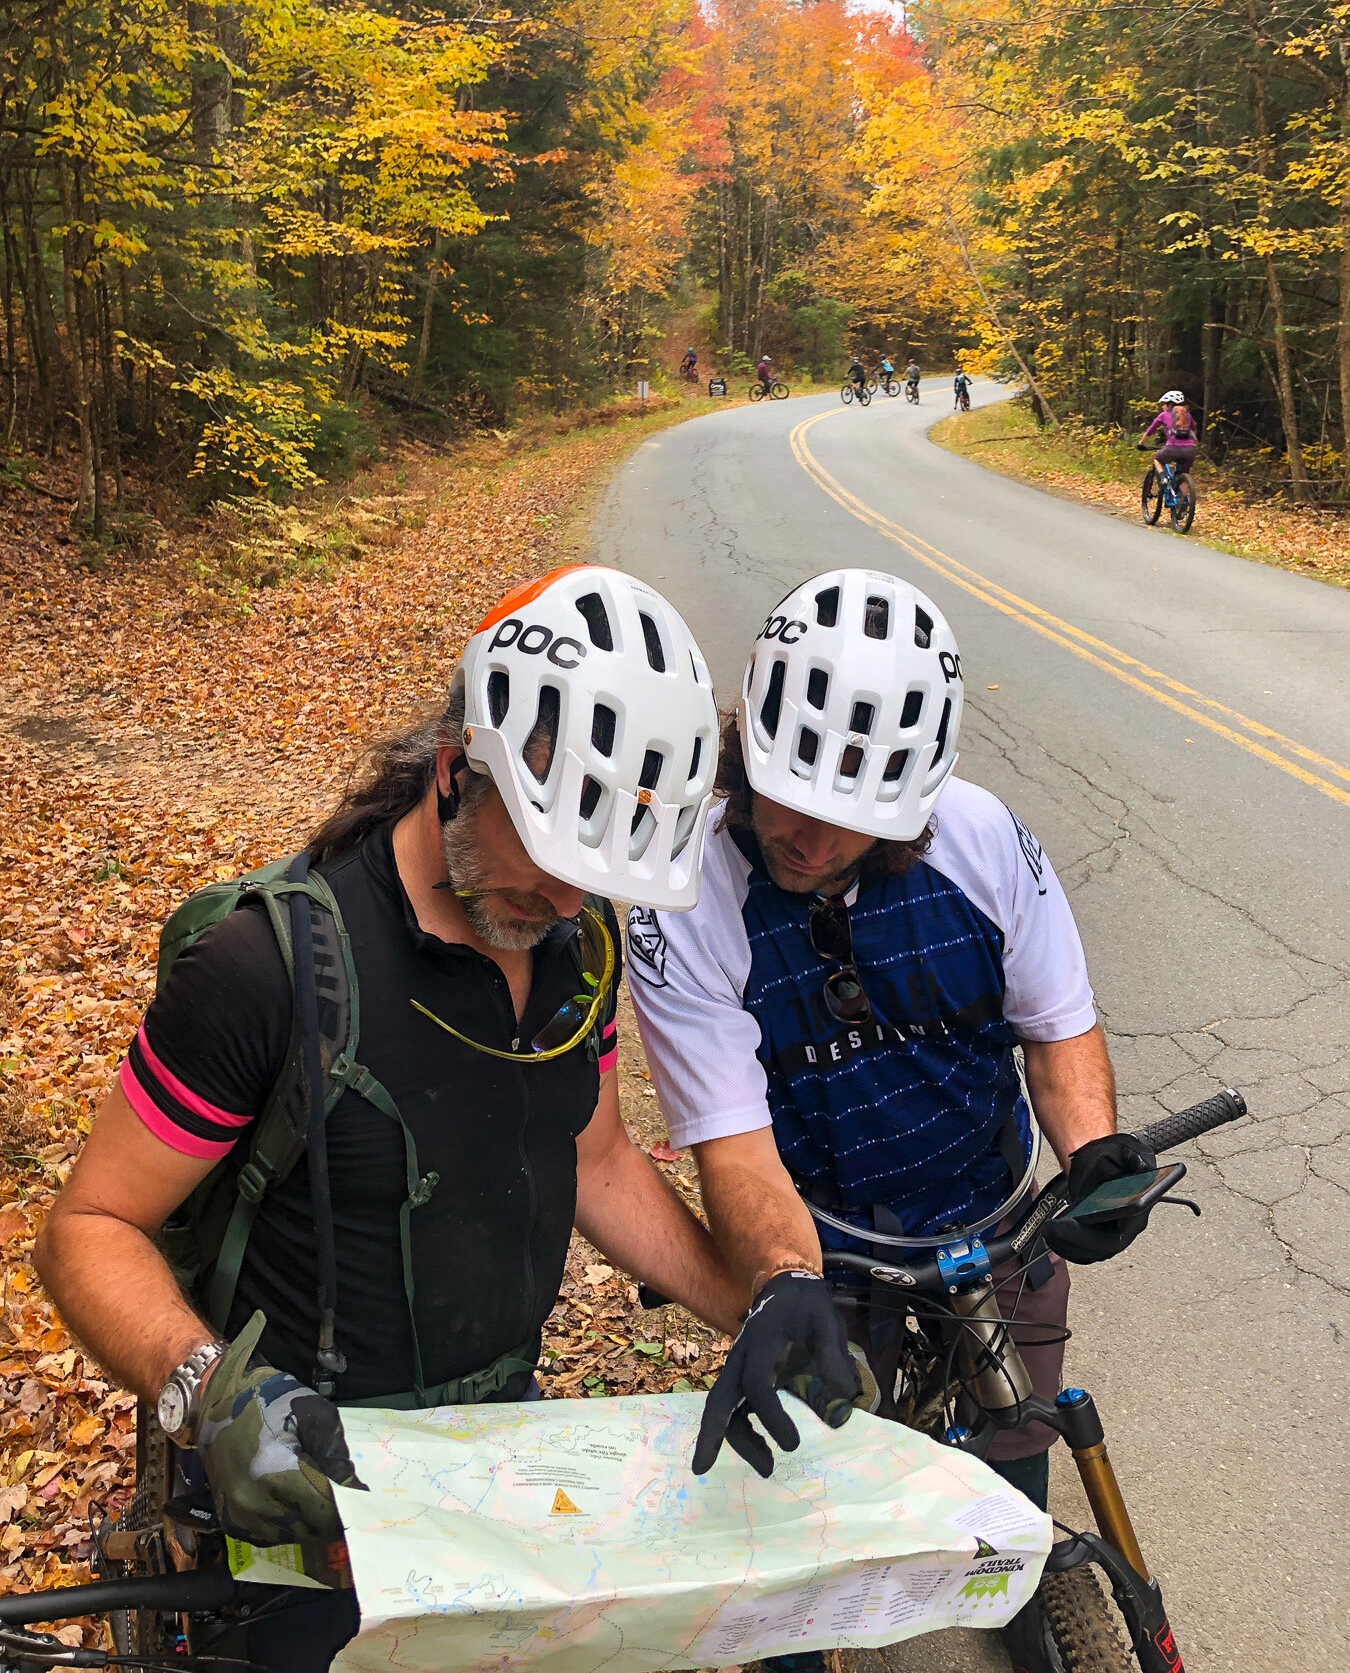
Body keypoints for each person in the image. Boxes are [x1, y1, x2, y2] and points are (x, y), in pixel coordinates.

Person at [36, 565, 834, 1670]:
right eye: (548, 863)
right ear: (460, 769)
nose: (562, 903)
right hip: (308, 1475)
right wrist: (209, 1397)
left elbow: (593, 1154)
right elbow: (88, 1228)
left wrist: (759, 1301)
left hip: (496, 1438)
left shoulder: (573, 946)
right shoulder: (267, 967)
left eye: (592, 880)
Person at [626, 568, 1157, 1661]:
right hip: (825, 1222)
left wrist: (1093, 1147)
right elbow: (731, 1136)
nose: (808, 841)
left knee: (1015, 1429)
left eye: (847, 820)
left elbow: (1056, 1026)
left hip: (989, 1198)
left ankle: (1011, 1589)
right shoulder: (685, 891)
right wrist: (782, 1282)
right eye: (785, 798)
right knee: (808, 1472)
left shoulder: (980, 835)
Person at [1138, 389, 1197, 475]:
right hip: (1189, 450)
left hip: (1172, 448)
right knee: (1183, 475)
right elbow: (1193, 430)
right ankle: (1185, 484)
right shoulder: (1188, 415)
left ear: (1170, 405)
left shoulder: (1164, 415)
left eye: (1165, 404)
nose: (1163, 406)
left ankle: (1163, 478)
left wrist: (1141, 442)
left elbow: (1150, 430)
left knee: (1157, 459)